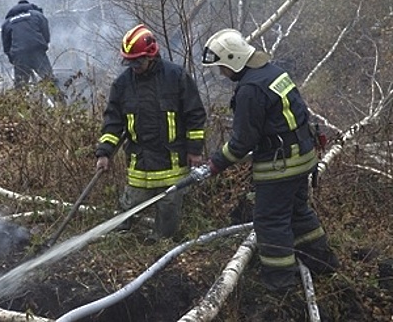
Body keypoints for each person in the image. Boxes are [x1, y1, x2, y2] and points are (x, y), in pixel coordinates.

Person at [201, 28, 339, 292]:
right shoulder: (274, 72)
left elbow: (242, 142)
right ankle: (323, 263)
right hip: (303, 157)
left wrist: (215, 163)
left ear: (233, 59)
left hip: (280, 167)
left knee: (270, 221)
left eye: (221, 67)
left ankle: (280, 283)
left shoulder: (250, 90)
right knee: (298, 212)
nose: (221, 73)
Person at [96, 24, 207, 243]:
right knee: (129, 204)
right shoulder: (122, 85)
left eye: (138, 60)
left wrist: (194, 150)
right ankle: (120, 238)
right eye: (130, 61)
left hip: (171, 159)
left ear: (152, 55)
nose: (134, 66)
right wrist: (104, 152)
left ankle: (161, 241)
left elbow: (194, 115)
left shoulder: (176, 77)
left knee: (168, 206)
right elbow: (113, 122)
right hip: (140, 160)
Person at [1, 0, 54, 89]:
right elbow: (46, 34)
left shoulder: (7, 22)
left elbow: (6, 46)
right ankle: (59, 101)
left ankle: (19, 100)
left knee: (20, 86)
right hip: (37, 51)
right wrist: (43, 46)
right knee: (49, 80)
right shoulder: (37, 15)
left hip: (19, 55)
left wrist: (13, 59)